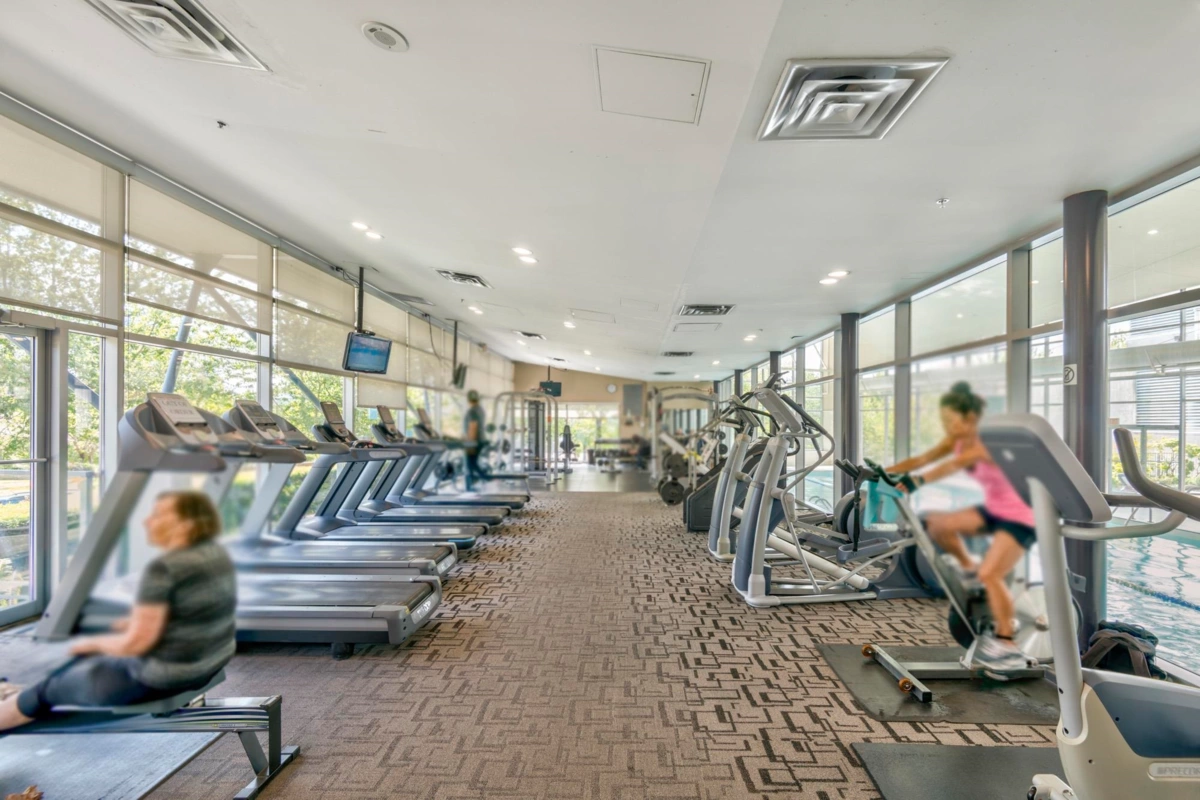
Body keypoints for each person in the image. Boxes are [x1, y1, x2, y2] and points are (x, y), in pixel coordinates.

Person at [0, 491, 237, 731]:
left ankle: (15, 705)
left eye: (158, 515)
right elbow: (198, 609)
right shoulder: (215, 554)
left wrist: (96, 645)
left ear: (186, 525)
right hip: (208, 665)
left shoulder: (164, 569)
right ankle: (12, 694)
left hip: (159, 678)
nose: (147, 521)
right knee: (67, 667)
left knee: (46, 690)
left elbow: (136, 644)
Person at [884, 381, 1037, 674]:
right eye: (943, 421)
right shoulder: (956, 439)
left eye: (950, 421)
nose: (947, 426)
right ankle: (968, 569)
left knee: (992, 573)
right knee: (938, 523)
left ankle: (1007, 644)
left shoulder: (983, 442)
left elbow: (951, 466)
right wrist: (883, 473)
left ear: (969, 418)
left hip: (1021, 516)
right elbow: (922, 459)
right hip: (993, 511)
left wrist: (917, 481)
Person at [462, 389, 489, 491]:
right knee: (473, 462)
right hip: (480, 439)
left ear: (469, 399)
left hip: (475, 440)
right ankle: (479, 479)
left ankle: (477, 481)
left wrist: (470, 443)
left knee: (470, 463)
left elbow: (473, 426)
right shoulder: (480, 409)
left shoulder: (472, 411)